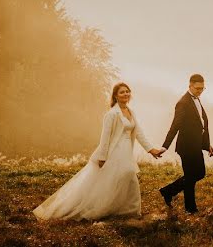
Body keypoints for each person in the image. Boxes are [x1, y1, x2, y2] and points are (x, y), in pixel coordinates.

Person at [33, 82, 165, 220]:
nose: (126, 94)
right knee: (123, 175)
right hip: (114, 151)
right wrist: (102, 156)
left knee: (128, 176)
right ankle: (106, 208)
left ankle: (128, 210)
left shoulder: (131, 112)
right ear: (115, 96)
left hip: (126, 151)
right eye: (122, 92)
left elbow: (138, 133)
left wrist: (151, 150)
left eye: (127, 91)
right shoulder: (112, 114)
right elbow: (105, 137)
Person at [159, 74, 213, 214]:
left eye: (202, 89)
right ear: (190, 85)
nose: (200, 91)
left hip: (196, 146)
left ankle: (168, 191)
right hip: (186, 147)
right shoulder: (183, 103)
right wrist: (165, 146)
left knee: (199, 173)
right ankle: (190, 209)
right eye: (197, 89)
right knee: (191, 176)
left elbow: (201, 125)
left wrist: (207, 145)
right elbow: (175, 126)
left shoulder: (196, 100)